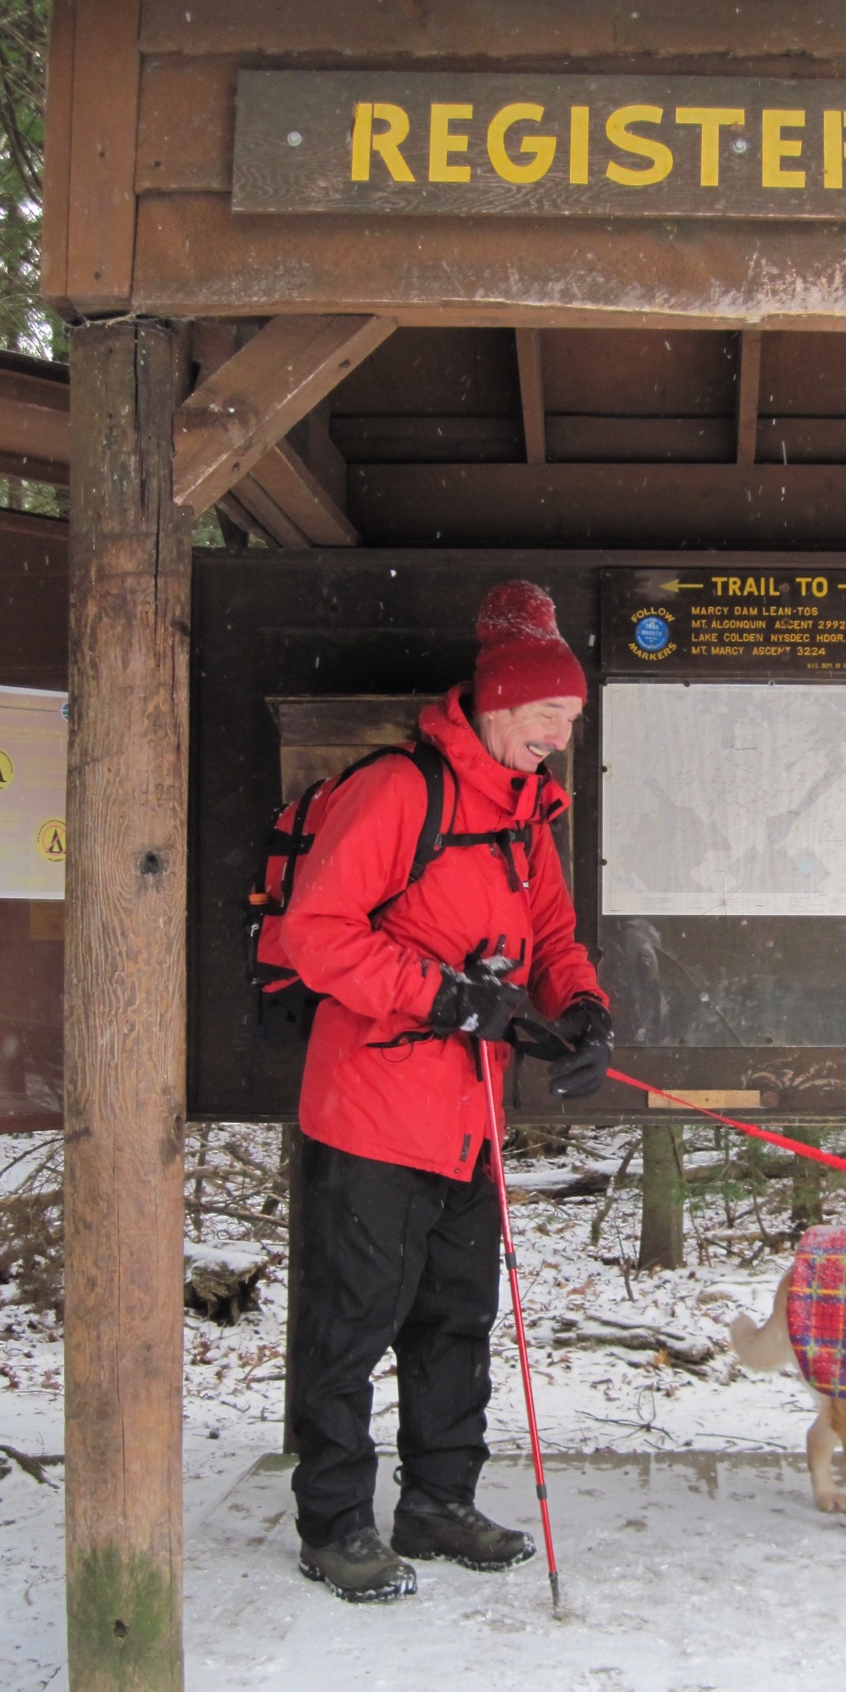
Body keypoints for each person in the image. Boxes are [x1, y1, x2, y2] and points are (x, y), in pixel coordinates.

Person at [279, 581, 612, 1602]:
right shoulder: (401, 791)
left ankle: (436, 1502)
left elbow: (552, 936)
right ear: (501, 702)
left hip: (469, 1117)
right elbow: (315, 934)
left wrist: (583, 1007)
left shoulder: (527, 815)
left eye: (570, 720)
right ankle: (336, 1522)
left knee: (455, 1321)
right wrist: (447, 999)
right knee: (351, 1325)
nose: (559, 737)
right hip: (373, 1110)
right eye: (548, 717)